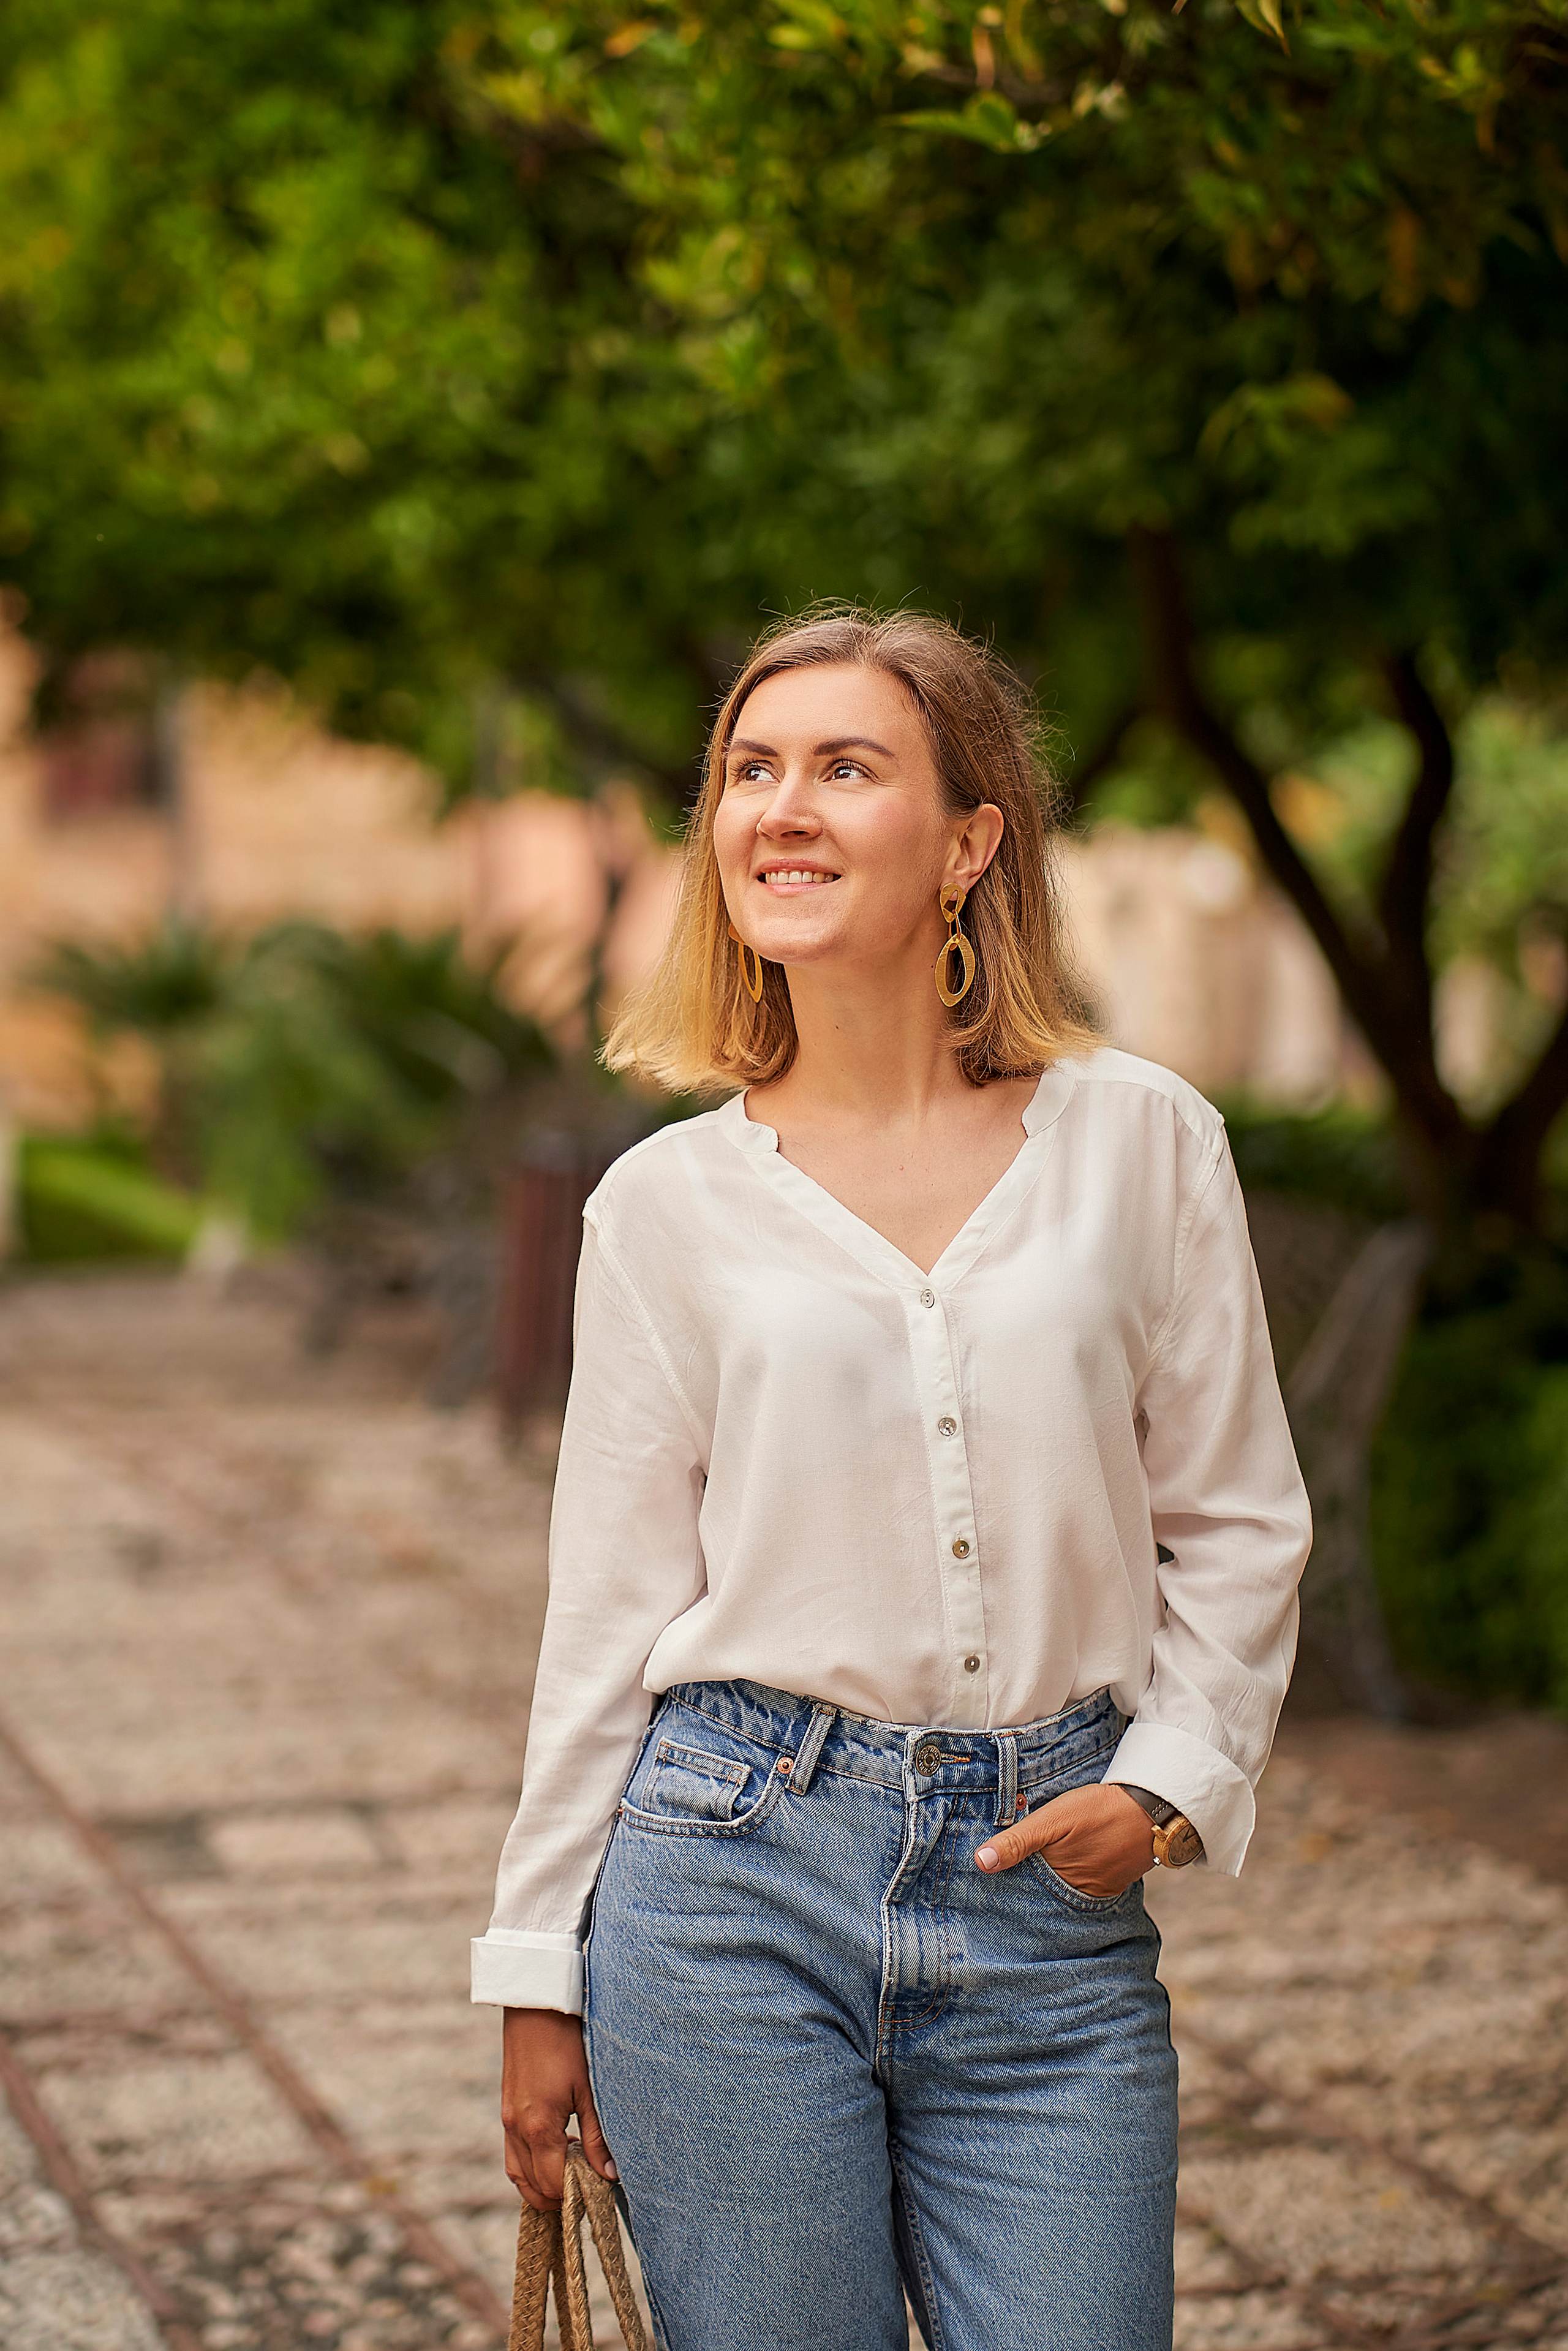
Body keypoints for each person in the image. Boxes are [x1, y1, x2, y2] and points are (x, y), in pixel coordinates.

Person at [472, 608, 1311, 2351]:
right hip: (727, 1889)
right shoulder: (666, 1208)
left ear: (970, 841)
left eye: (847, 768)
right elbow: (610, 1613)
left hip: (1046, 1908)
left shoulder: (1143, 1142)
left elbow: (1236, 1519)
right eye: (752, 771)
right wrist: (537, 1970)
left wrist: (1163, 1786)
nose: (783, 807)